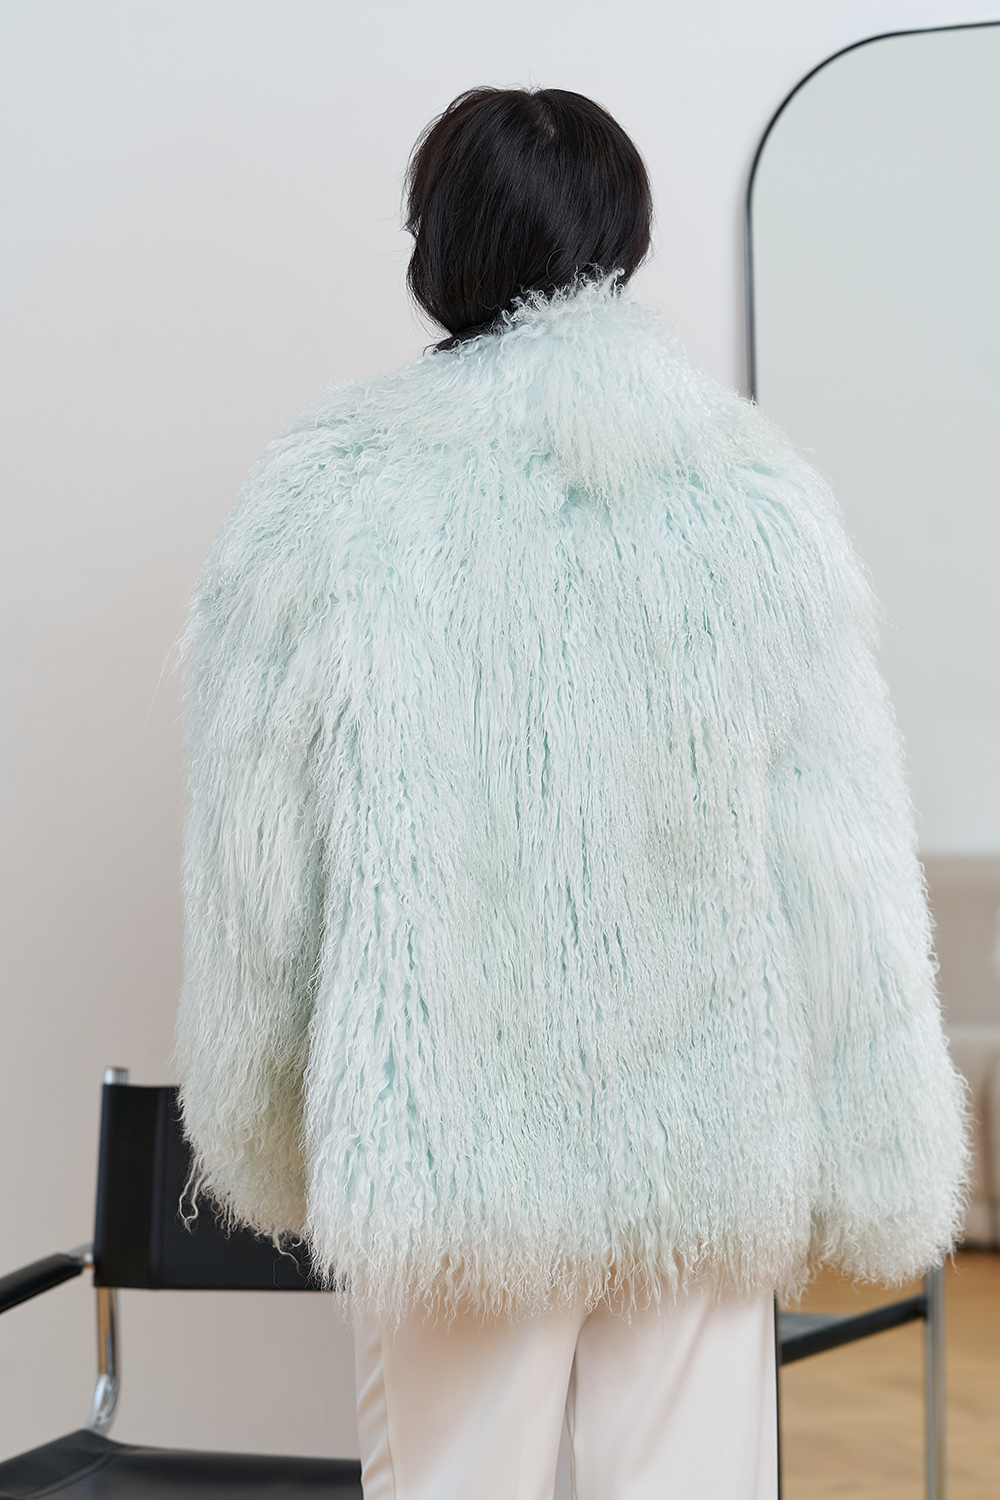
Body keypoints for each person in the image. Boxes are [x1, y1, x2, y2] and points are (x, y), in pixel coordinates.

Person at [174, 87, 970, 1500]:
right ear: (624, 239)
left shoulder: (335, 496)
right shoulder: (747, 490)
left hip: (452, 1148)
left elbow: (258, 871)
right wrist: (879, 1145)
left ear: (439, 244)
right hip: (707, 1137)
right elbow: (841, 857)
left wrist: (267, 1126)